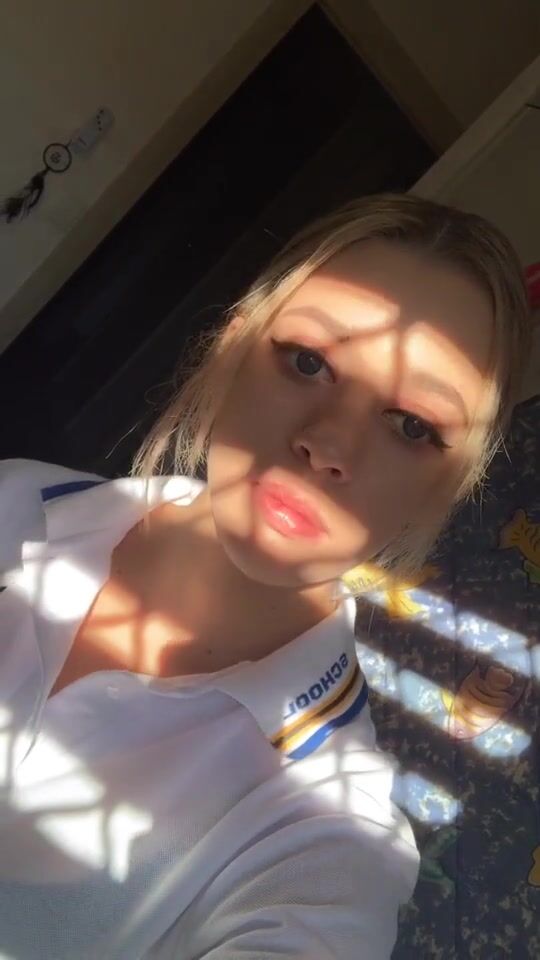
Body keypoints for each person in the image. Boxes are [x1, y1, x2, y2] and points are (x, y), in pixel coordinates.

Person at [0, 193, 531, 959]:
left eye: (412, 426)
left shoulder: (328, 835)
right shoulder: (14, 500)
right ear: (232, 347)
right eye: (309, 362)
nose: (328, 445)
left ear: (443, 491)